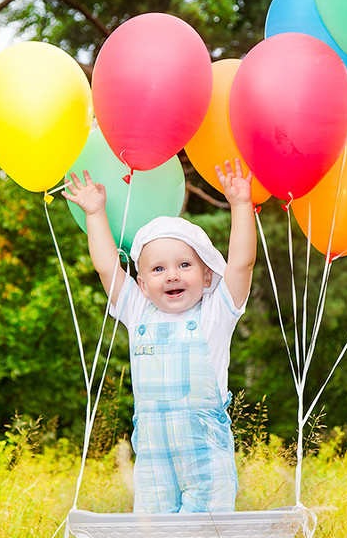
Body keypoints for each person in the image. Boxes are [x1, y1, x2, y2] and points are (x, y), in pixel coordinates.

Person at [63, 159, 256, 513]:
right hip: (153, 457)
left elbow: (241, 265)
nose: (172, 276)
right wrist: (95, 213)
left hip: (205, 454)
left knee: (207, 535)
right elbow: (107, 266)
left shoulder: (216, 314)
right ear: (141, 283)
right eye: (157, 269)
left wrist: (241, 205)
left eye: (185, 265)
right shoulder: (137, 311)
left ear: (208, 275)